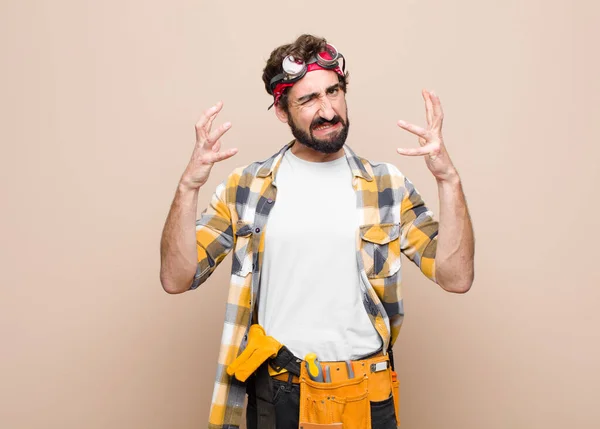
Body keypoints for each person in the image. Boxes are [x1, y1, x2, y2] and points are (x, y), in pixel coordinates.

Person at [159, 34, 474, 429]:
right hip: (277, 393)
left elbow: (457, 277)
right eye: (308, 100)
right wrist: (188, 186)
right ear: (281, 109)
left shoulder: (387, 187)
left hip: (365, 394)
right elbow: (176, 278)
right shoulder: (246, 187)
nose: (327, 110)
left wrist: (449, 181)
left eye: (334, 92)